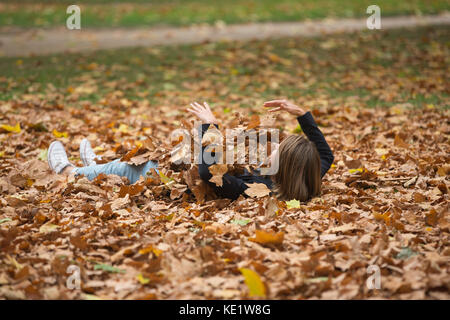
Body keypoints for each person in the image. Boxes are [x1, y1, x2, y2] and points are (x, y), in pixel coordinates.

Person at [47, 100, 334, 202]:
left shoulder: (257, 187)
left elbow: (208, 171)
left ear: (284, 164)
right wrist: (302, 115)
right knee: (129, 163)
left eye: (277, 151)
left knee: (132, 168)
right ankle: (94, 168)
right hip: (187, 176)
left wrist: (210, 127)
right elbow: (325, 156)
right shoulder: (305, 179)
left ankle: (69, 171)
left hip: (180, 187)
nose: (272, 149)